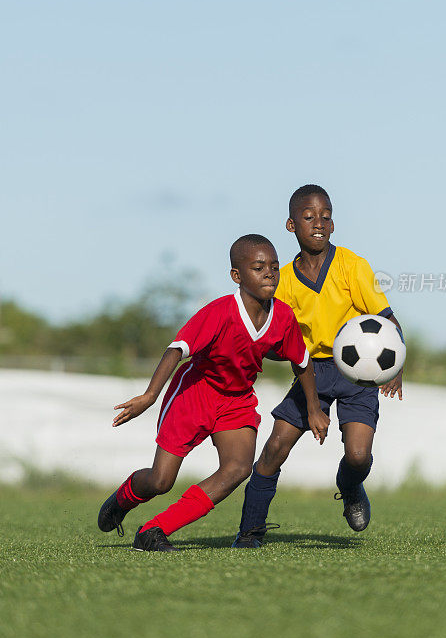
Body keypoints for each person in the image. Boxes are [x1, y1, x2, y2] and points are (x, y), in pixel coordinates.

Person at [97, 234, 328, 552]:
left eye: (274, 267)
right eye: (258, 267)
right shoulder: (220, 312)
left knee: (237, 469)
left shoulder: (284, 317)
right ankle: (124, 497)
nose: (269, 273)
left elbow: (302, 362)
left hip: (236, 400)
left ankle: (153, 530)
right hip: (193, 395)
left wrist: (314, 409)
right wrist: (150, 395)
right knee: (160, 481)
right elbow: (177, 348)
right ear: (237, 276)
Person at [232, 186, 403, 548]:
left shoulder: (352, 266)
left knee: (358, 456)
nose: (319, 223)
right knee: (275, 447)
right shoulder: (284, 281)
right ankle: (249, 531)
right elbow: (276, 339)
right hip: (310, 371)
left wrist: (396, 359)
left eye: (325, 215)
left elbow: (385, 318)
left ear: (333, 223)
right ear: (292, 225)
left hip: (358, 373)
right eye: (309, 217)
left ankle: (350, 486)